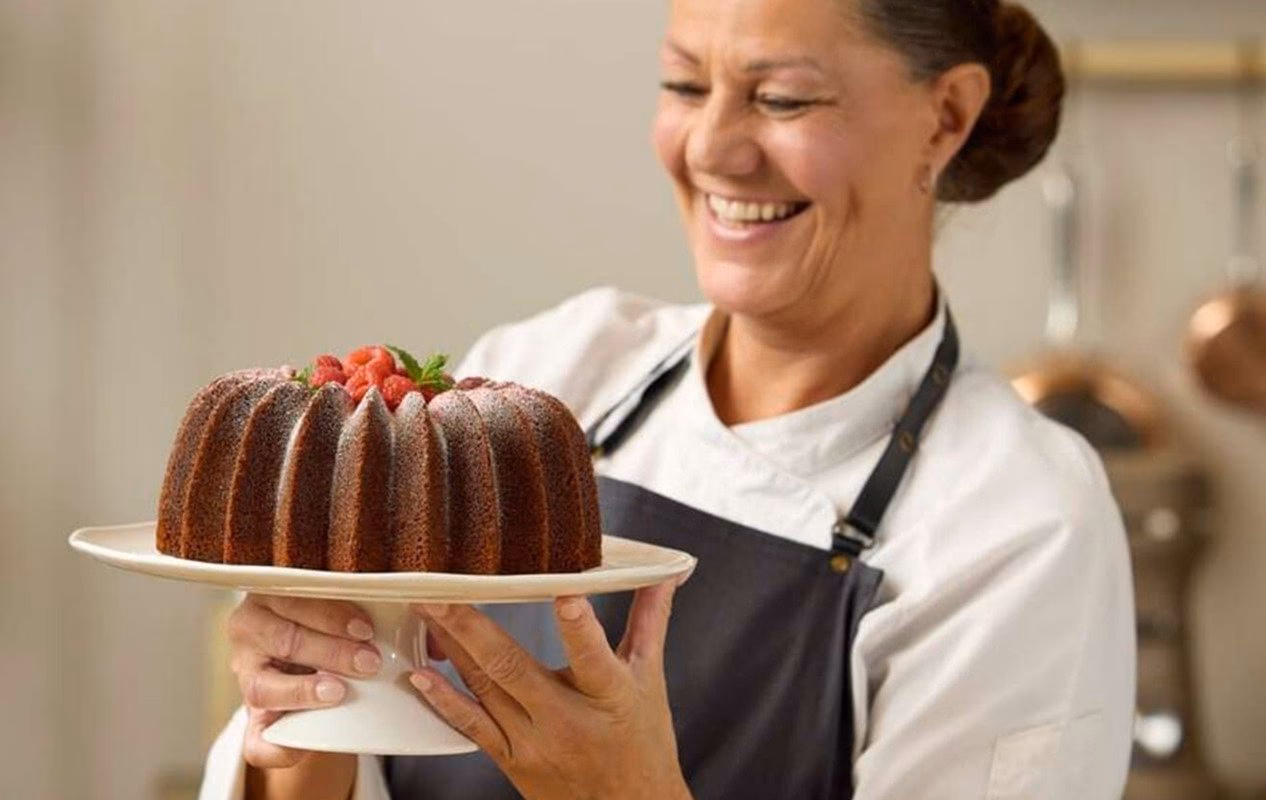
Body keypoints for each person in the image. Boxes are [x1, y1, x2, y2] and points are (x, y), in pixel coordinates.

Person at [198, 0, 1136, 798]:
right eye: (686, 86)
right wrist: (299, 732)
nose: (715, 150)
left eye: (782, 98)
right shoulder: (552, 374)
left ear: (946, 117)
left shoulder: (1016, 524)